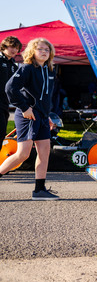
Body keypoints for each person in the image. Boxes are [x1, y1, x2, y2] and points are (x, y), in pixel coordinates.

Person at [0, 38, 58, 200]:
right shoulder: (26, 68)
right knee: (23, 154)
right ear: (33, 51)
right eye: (40, 49)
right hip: (27, 115)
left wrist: (48, 116)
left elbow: (47, 97)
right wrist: (25, 107)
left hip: (42, 116)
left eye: (47, 49)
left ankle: (39, 190)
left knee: (45, 152)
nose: (44, 52)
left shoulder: (50, 70)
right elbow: (10, 88)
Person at [0, 36, 22, 144]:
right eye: (12, 47)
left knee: (2, 134)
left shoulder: (14, 65)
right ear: (4, 46)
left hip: (5, 104)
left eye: (17, 48)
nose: (14, 50)